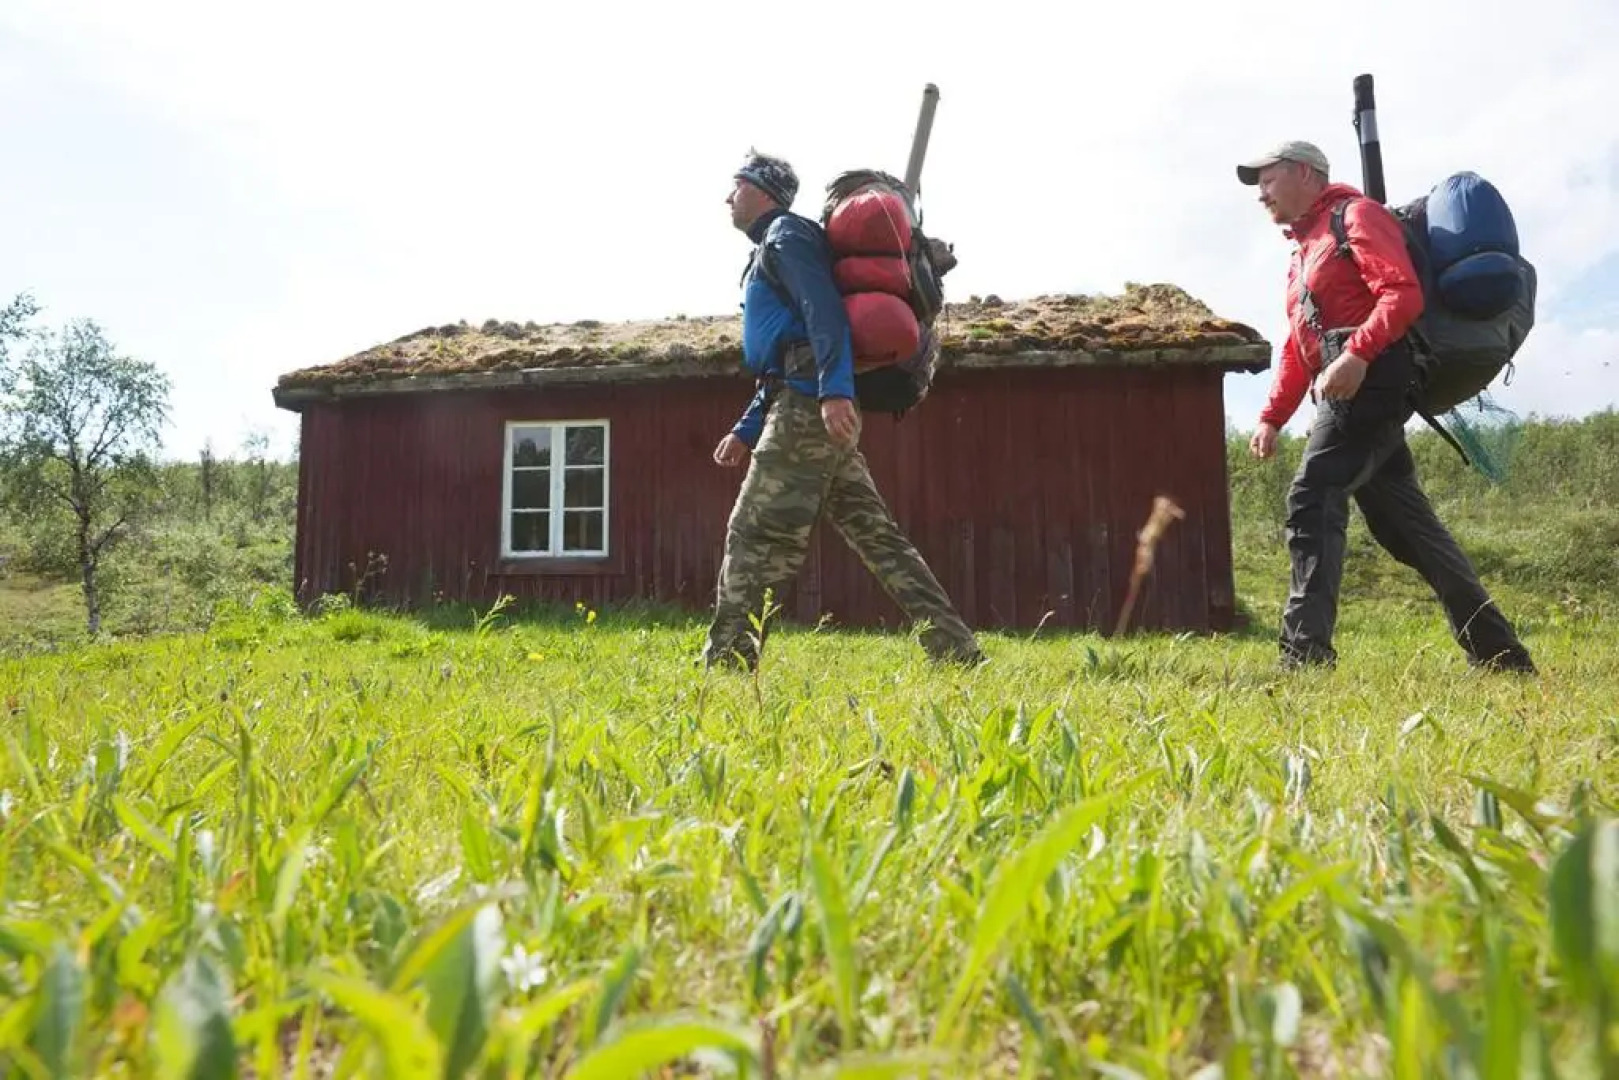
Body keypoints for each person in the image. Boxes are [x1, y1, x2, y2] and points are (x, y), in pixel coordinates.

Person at [1237, 140, 1535, 673]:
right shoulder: (1304, 251)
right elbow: (1297, 345)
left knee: (1313, 494)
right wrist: (1271, 416)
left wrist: (1356, 355)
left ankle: (1304, 657)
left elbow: (1402, 294)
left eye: (1268, 179)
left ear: (1305, 173)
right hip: (1347, 377)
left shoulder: (1357, 216)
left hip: (1370, 377)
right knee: (1409, 530)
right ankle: (1501, 655)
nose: (1261, 192)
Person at [699, 149, 984, 671]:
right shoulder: (778, 242)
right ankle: (956, 649)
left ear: (763, 191)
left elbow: (821, 313)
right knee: (878, 538)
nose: (727, 197)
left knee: (756, 534)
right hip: (810, 403)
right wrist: (747, 428)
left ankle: (728, 662)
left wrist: (834, 389)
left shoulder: (786, 236)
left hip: (809, 410)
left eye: (736, 186)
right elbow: (786, 355)